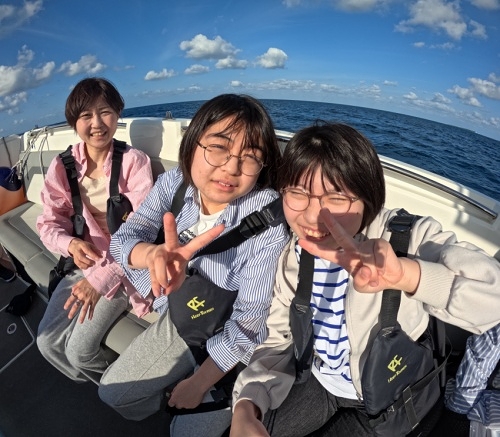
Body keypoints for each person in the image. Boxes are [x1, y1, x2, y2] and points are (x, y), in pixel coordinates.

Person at [230, 121, 500, 437]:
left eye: (336, 197)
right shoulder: (295, 252)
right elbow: (279, 340)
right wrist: (247, 403)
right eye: (298, 193)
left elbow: (493, 304)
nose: (314, 217)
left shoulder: (408, 237)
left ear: (367, 197)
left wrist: (407, 276)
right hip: (321, 381)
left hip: (391, 399)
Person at [98, 94, 290, 436]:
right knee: (112, 392)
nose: (231, 168)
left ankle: (201, 393)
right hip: (169, 304)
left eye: (250, 157)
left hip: (212, 324)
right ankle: (168, 401)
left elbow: (249, 322)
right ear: (193, 143)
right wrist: (150, 255)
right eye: (218, 148)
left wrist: (199, 383)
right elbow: (126, 236)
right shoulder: (176, 182)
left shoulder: (266, 223)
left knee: (164, 421)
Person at [36, 77, 154, 384]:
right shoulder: (63, 166)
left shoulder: (134, 162)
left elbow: (142, 229)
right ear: (74, 122)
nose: (97, 124)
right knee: (47, 342)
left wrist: (99, 280)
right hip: (82, 264)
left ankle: (125, 388)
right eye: (86, 115)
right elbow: (49, 222)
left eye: (105, 112)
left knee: (78, 351)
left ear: (118, 114)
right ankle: (102, 382)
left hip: (123, 268)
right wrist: (70, 245)